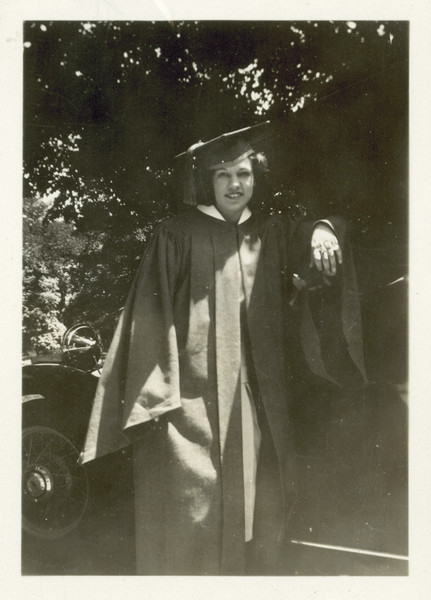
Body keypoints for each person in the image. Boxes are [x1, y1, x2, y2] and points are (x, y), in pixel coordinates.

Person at [79, 123, 366, 575]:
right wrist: (158, 401)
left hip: (256, 404)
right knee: (196, 517)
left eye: (244, 173)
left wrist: (323, 231)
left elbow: (316, 247)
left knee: (257, 511)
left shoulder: (268, 233)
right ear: (207, 183)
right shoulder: (175, 235)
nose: (236, 184)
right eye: (223, 175)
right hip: (194, 408)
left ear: (256, 177)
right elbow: (147, 323)